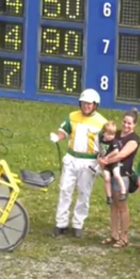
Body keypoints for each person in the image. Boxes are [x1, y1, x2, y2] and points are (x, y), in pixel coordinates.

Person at [50, 88, 108, 238]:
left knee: (84, 192)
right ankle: (60, 223)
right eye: (83, 103)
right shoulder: (72, 116)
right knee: (65, 189)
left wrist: (102, 161)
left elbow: (106, 143)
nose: (86, 106)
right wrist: (57, 137)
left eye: (89, 104)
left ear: (95, 105)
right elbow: (64, 130)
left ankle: (78, 224)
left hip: (89, 162)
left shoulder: (102, 122)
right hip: (71, 158)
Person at [96, 109, 140, 248]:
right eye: (125, 122)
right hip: (111, 171)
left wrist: (105, 161)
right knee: (113, 205)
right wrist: (99, 158)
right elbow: (104, 147)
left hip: (123, 174)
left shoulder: (134, 139)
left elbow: (121, 154)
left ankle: (124, 237)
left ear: (134, 125)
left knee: (122, 206)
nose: (126, 126)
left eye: (130, 123)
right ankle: (114, 234)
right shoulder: (115, 133)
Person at [97, 121, 126, 205]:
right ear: (104, 133)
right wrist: (99, 157)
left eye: (112, 135)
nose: (111, 137)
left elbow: (116, 151)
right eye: (109, 134)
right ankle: (109, 196)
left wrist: (107, 157)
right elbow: (100, 150)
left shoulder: (114, 142)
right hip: (105, 164)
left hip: (113, 162)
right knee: (106, 178)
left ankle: (123, 191)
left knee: (117, 175)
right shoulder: (101, 140)